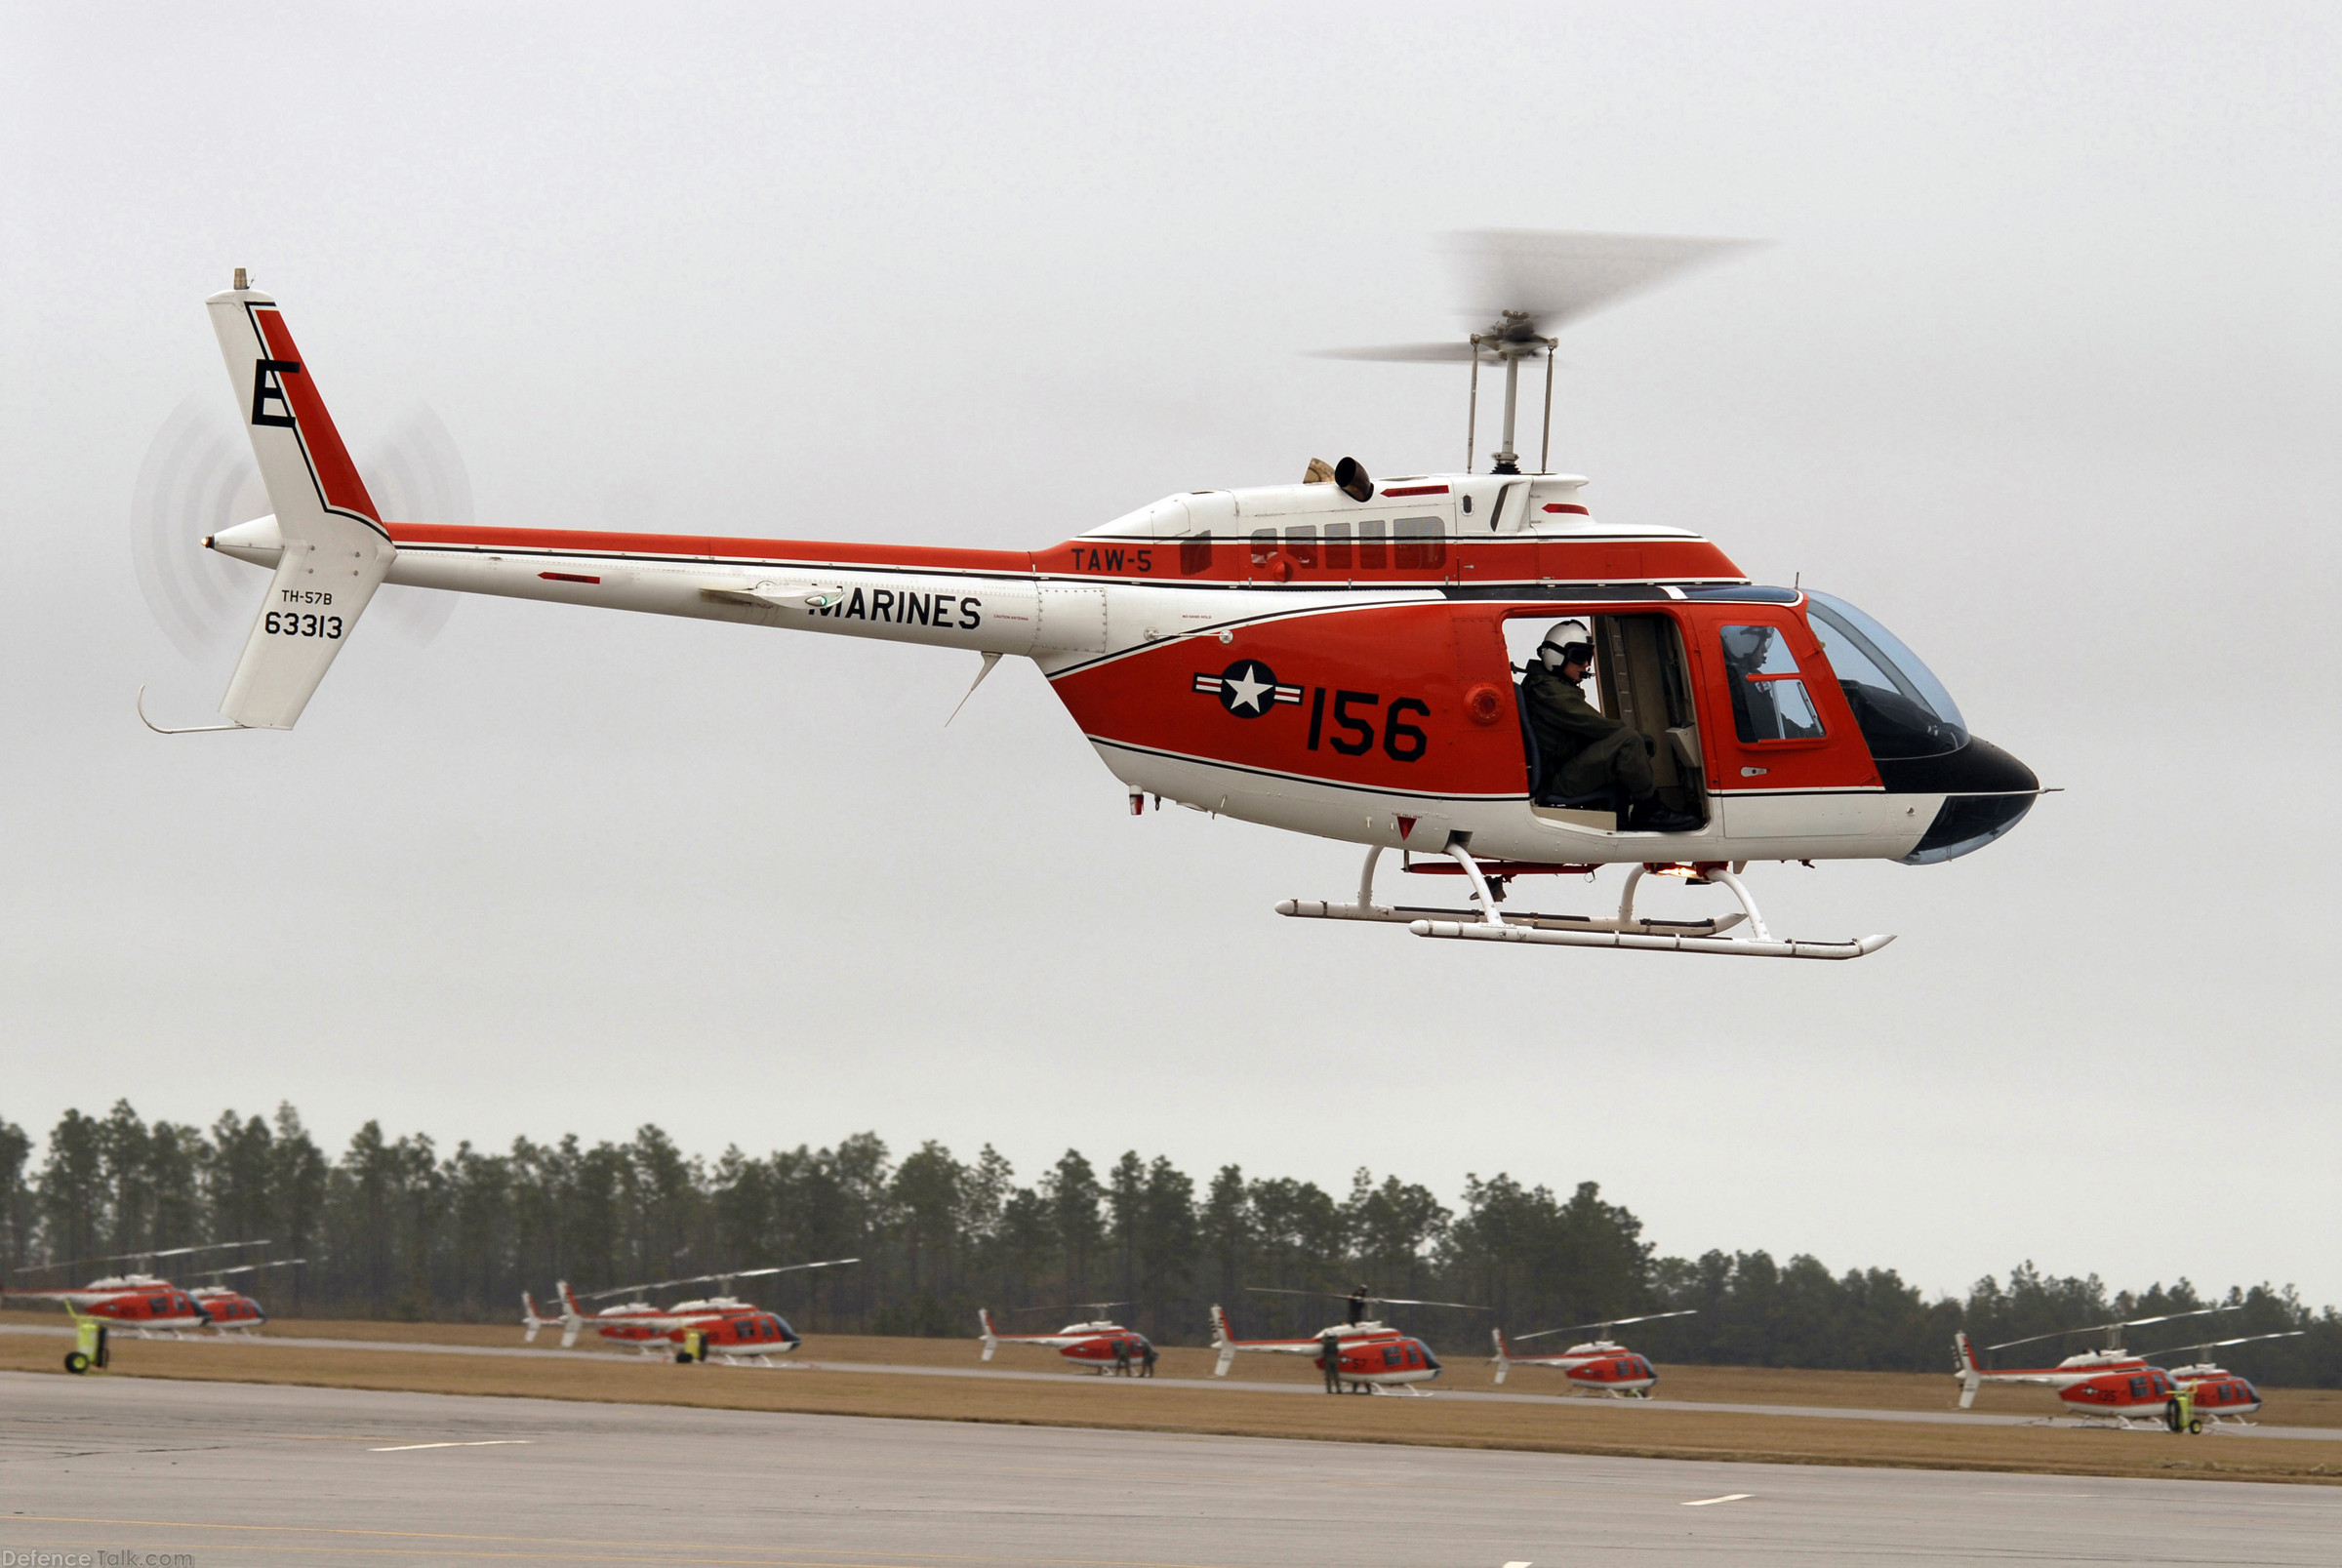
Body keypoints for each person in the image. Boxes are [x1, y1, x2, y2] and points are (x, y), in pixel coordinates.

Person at [1519, 620, 1701, 832]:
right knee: (1628, 742)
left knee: (1624, 745)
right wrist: (1638, 739)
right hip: (1559, 779)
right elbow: (1594, 724)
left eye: (1588, 657)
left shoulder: (1548, 686)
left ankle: (1629, 811)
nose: (1586, 664)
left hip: (1561, 771)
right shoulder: (1549, 692)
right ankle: (1649, 810)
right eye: (1579, 657)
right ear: (1556, 656)